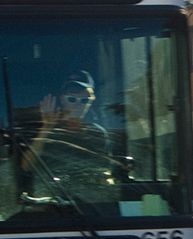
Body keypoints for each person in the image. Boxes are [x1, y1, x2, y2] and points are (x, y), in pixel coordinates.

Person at [17, 71, 121, 208]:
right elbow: (25, 166)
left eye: (84, 100)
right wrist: (46, 128)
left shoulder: (98, 134)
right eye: (72, 99)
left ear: (90, 102)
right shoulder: (44, 131)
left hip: (90, 210)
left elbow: (104, 175)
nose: (78, 105)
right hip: (48, 209)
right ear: (62, 99)